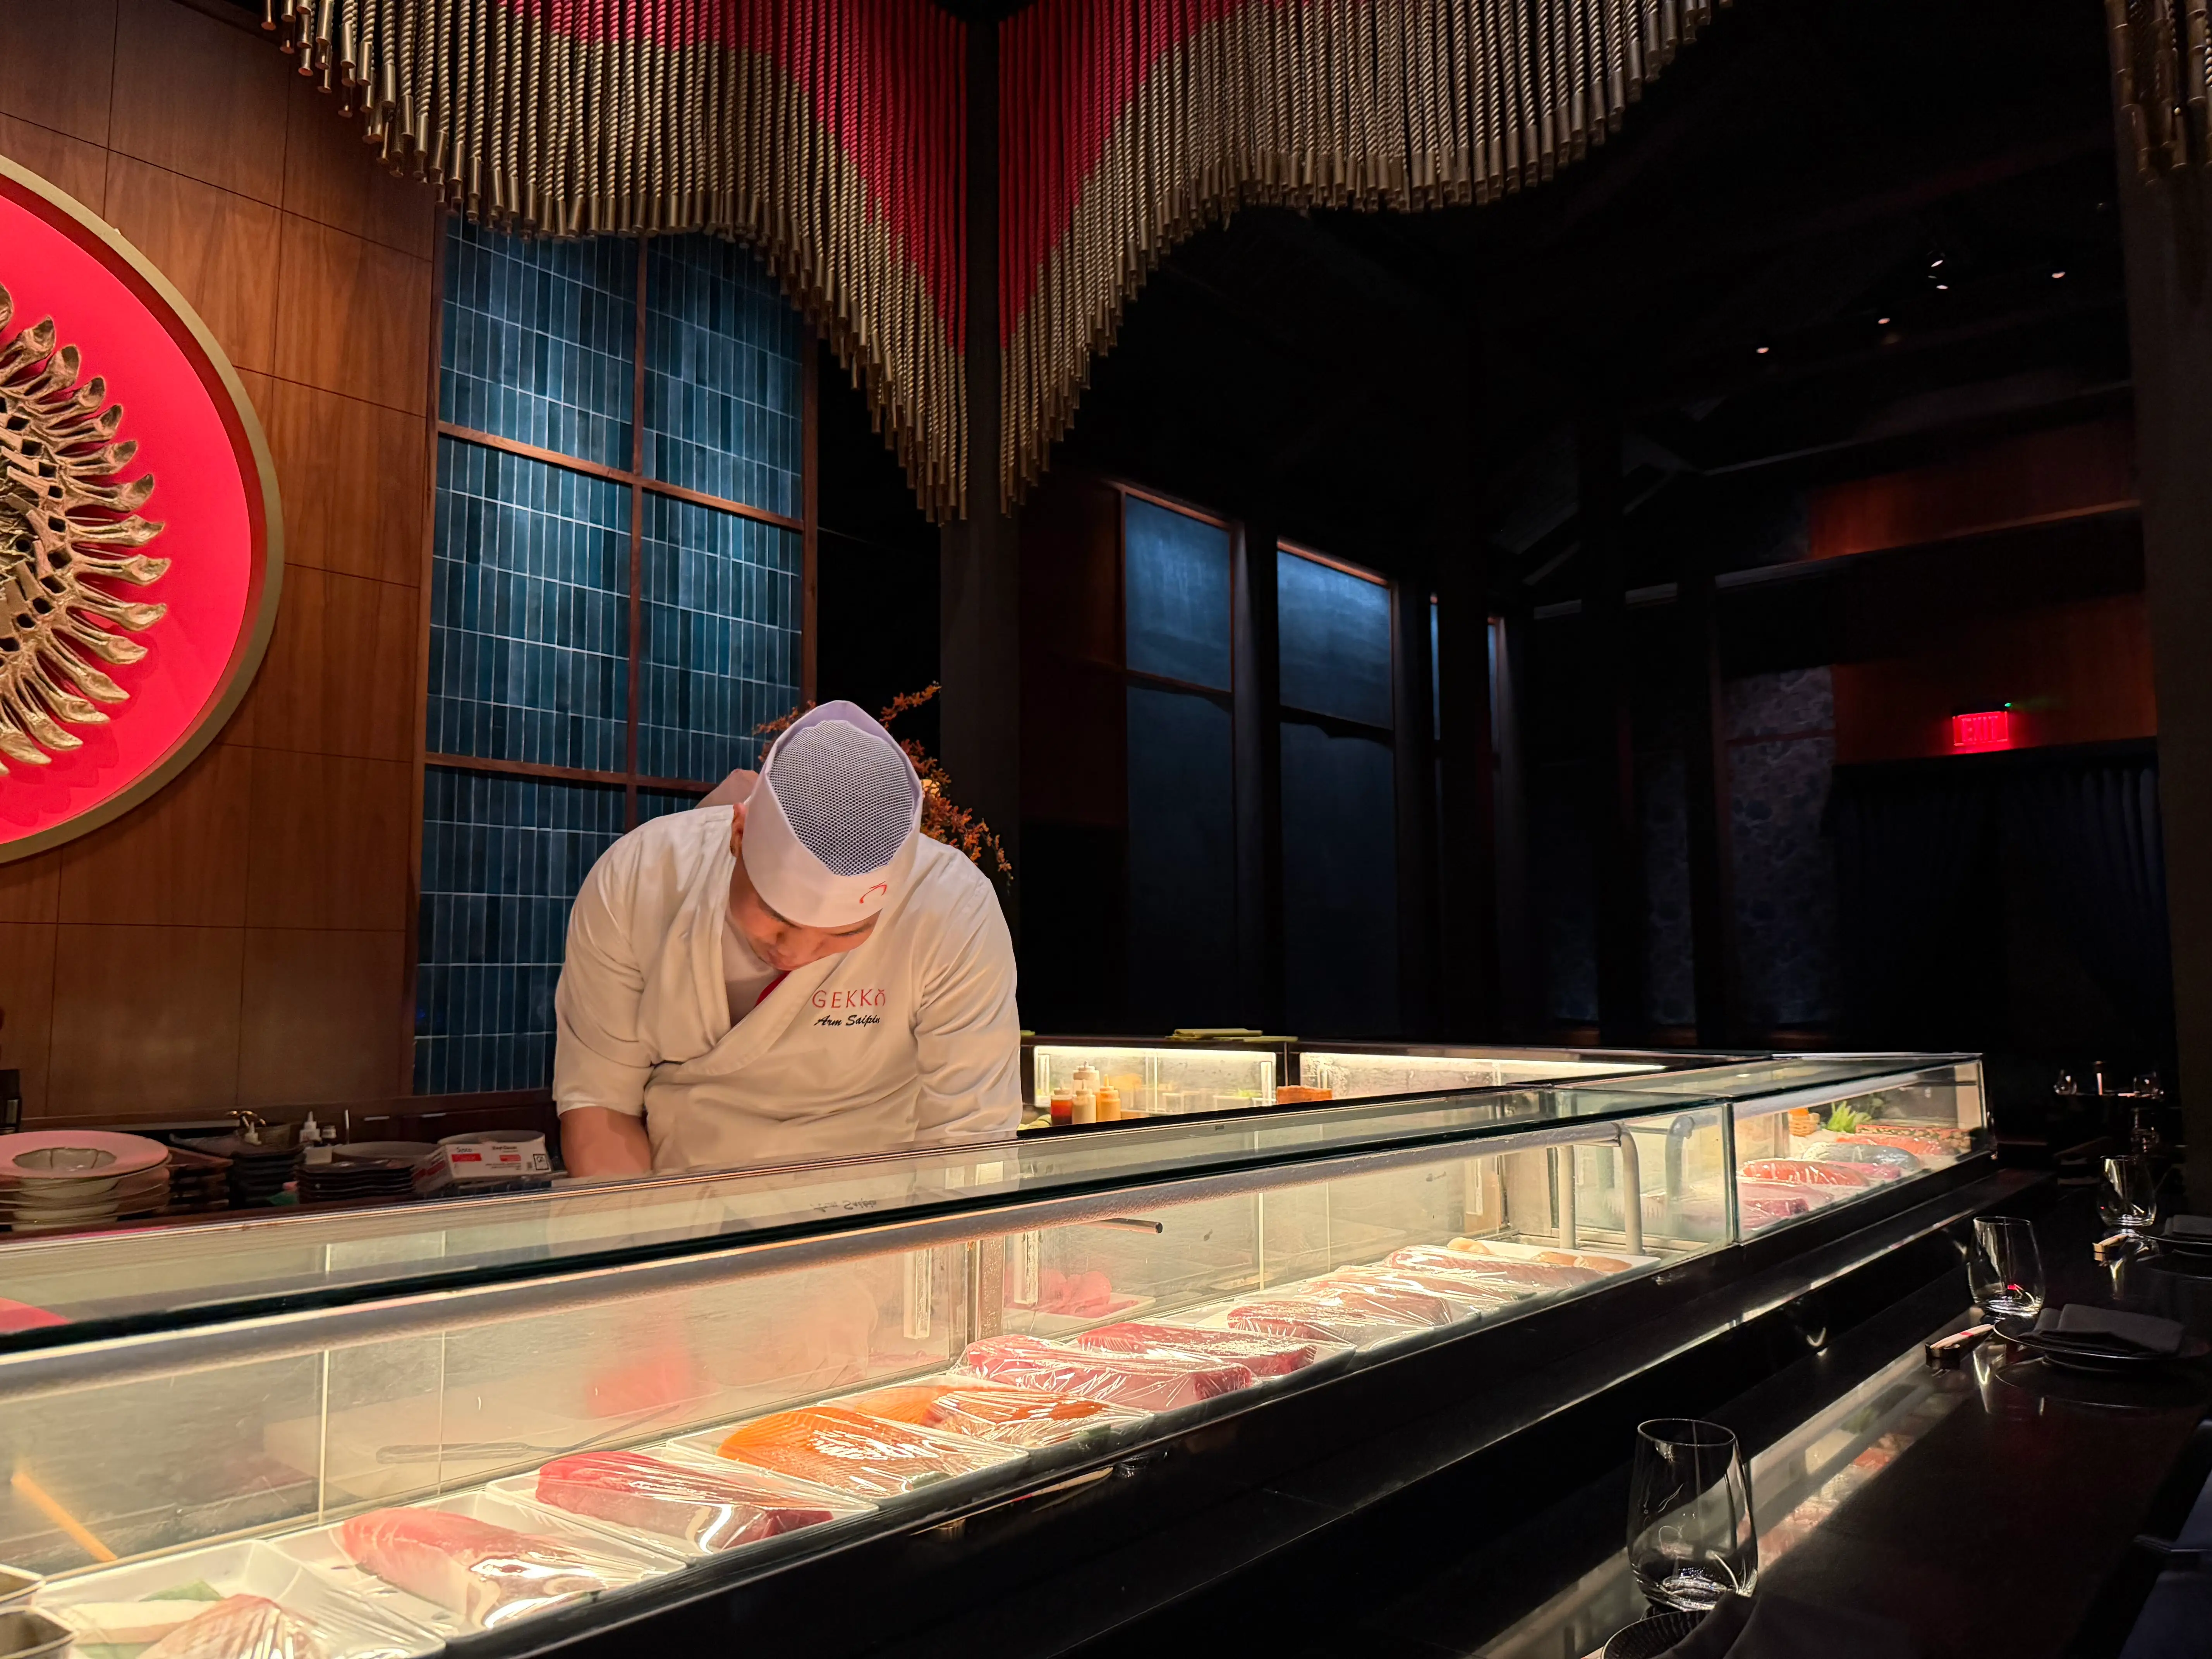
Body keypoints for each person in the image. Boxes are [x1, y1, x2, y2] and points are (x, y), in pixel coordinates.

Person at [553, 701, 1020, 1176]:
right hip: (681, 1215)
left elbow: (969, 1141)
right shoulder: (641, 877)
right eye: (776, 917)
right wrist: (638, 1247)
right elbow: (601, 1104)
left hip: (878, 1217)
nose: (795, 953)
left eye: (845, 933)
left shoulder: (951, 908)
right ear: (739, 833)